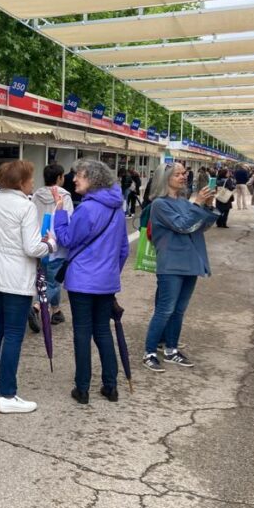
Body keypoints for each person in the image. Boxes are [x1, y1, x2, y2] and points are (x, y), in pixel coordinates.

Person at [0, 160, 55, 414]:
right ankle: (7, 393)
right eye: (30, 179)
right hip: (15, 279)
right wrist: (50, 243)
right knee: (14, 333)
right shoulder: (25, 207)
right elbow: (31, 247)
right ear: (20, 182)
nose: (33, 183)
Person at [53, 159, 129, 405]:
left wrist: (60, 213)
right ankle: (111, 386)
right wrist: (110, 273)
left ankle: (82, 388)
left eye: (80, 175)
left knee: (82, 333)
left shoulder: (86, 209)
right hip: (106, 281)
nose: (74, 178)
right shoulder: (117, 208)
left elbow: (66, 239)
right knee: (103, 331)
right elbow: (123, 249)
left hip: (82, 281)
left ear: (94, 178)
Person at [142, 162, 217, 372]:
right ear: (165, 178)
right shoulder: (159, 204)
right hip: (172, 264)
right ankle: (149, 351)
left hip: (190, 262)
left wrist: (207, 206)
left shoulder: (185, 202)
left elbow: (201, 226)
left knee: (179, 311)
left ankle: (171, 349)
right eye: (177, 174)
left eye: (184, 173)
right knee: (165, 310)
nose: (183, 176)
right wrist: (198, 205)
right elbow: (183, 225)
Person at [31, 163, 73, 325]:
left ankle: (56, 311)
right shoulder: (64, 197)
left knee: (45, 277)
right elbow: (68, 220)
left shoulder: (36, 195)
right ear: (59, 178)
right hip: (56, 244)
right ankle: (36, 307)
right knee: (54, 281)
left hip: (39, 243)